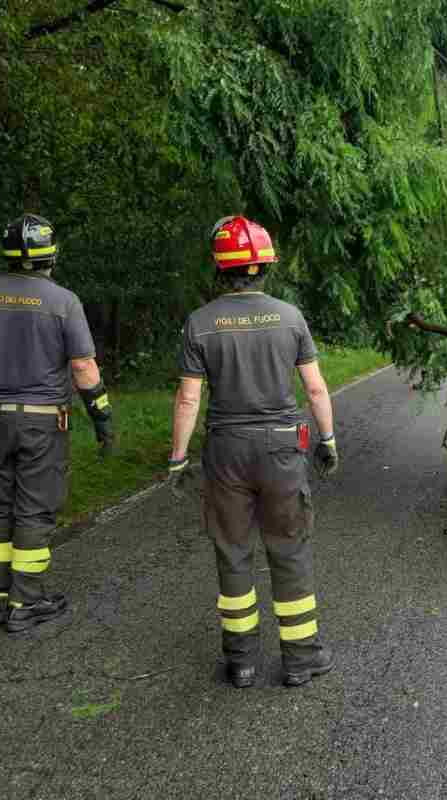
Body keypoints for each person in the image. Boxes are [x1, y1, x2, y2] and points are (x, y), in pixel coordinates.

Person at [168, 215, 339, 688]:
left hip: (226, 449)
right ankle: (301, 657)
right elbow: (316, 389)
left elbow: (188, 398)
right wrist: (326, 440)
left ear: (220, 267)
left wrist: (178, 457)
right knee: (289, 547)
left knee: (233, 549)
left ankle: (241, 661)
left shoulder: (200, 323)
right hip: (283, 446)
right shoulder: (290, 317)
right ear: (264, 264)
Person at [0, 214, 114, 633]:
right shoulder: (63, 302)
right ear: (50, 256)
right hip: (42, 422)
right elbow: (84, 368)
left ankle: (1, 597)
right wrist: (102, 417)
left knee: (0, 507)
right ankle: (27, 601)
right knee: (34, 510)